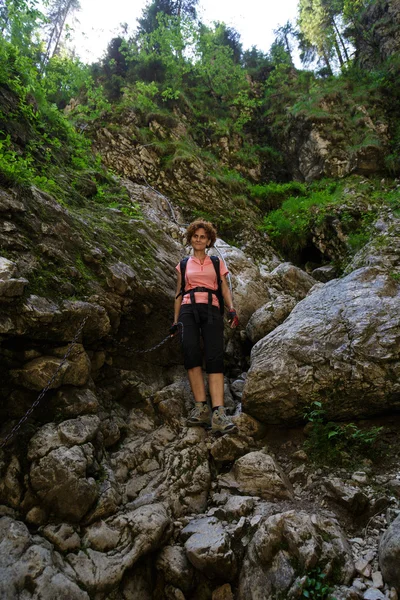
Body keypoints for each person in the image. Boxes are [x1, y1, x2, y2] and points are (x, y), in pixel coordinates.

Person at [171, 220, 239, 435]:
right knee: (191, 353)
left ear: (209, 240)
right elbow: (178, 293)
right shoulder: (183, 264)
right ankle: (201, 408)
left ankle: (218, 413)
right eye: (195, 236)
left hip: (211, 308)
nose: (199, 240)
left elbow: (224, 288)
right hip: (188, 310)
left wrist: (232, 309)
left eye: (203, 237)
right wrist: (175, 321)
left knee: (214, 356)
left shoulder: (217, 262)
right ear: (191, 238)